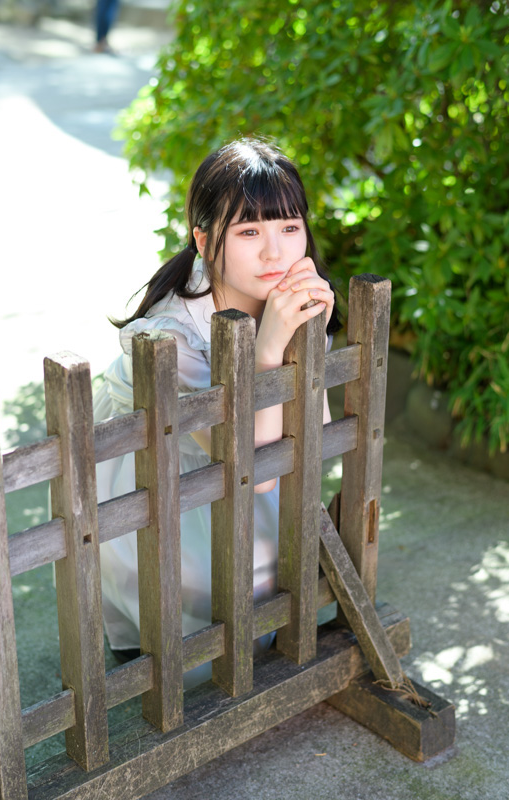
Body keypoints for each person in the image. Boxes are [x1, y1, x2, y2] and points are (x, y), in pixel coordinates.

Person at [93, 138, 342, 687]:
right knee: (207, 628)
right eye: (249, 232)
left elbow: (319, 438)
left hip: (247, 479)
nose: (275, 252)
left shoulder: (288, 300)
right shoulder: (169, 339)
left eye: (289, 227)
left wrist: (306, 336)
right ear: (205, 241)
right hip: (165, 496)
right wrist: (270, 348)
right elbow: (249, 469)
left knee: (269, 584)